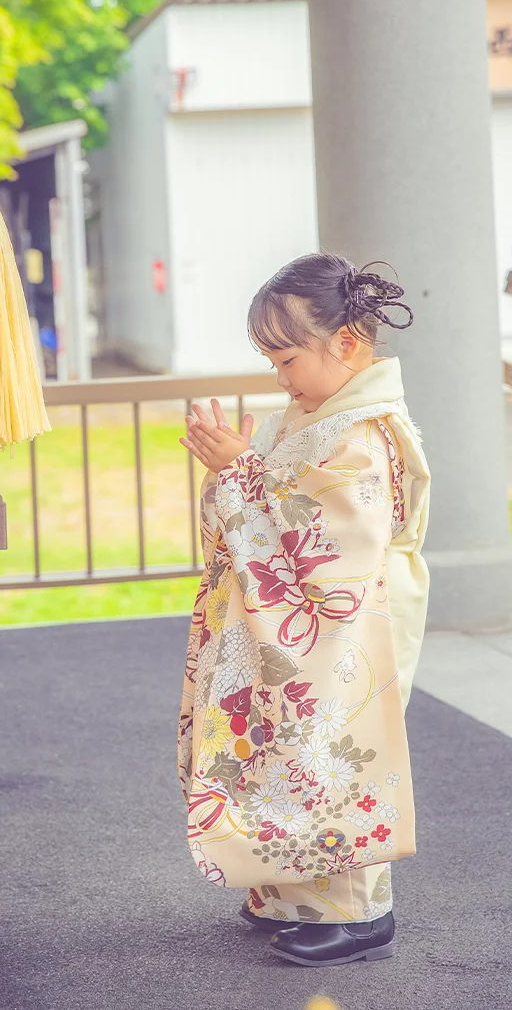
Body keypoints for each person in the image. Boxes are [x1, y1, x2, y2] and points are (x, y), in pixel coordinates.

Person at [178, 253, 430, 967]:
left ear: (345, 344)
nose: (280, 378)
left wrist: (241, 471)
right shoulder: (314, 415)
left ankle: (356, 913)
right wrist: (237, 473)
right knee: (282, 741)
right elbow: (269, 502)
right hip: (310, 612)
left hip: (353, 614)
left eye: (286, 360)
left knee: (334, 748)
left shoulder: (366, 430)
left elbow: (333, 540)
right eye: (272, 362)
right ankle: (287, 893)